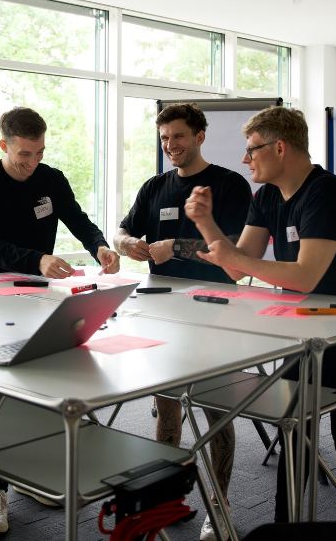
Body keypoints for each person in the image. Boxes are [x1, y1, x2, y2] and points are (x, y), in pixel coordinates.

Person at [183, 106, 336, 524]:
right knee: (295, 430)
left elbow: (306, 276)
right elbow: (239, 266)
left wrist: (234, 253)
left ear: (279, 147)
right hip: (306, 326)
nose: (244, 159)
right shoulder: (268, 195)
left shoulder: (327, 192)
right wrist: (205, 222)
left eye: (252, 149)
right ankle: (283, 526)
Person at [0, 106, 120, 534]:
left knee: (39, 384)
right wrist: (37, 258)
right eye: (23, 155)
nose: (31, 163)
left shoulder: (51, 178)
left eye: (38, 153)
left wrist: (100, 247)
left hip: (37, 295)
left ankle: (28, 474)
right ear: (4, 145)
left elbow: (77, 218)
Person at [113, 102, 251, 541]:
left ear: (200, 136)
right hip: (163, 313)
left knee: (215, 413)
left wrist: (179, 246)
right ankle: (164, 501)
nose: (171, 145)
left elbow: (237, 255)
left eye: (178, 136)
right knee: (166, 412)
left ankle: (219, 506)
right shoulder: (154, 186)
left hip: (215, 312)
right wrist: (128, 242)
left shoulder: (229, 185)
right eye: (164, 138)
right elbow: (120, 230)